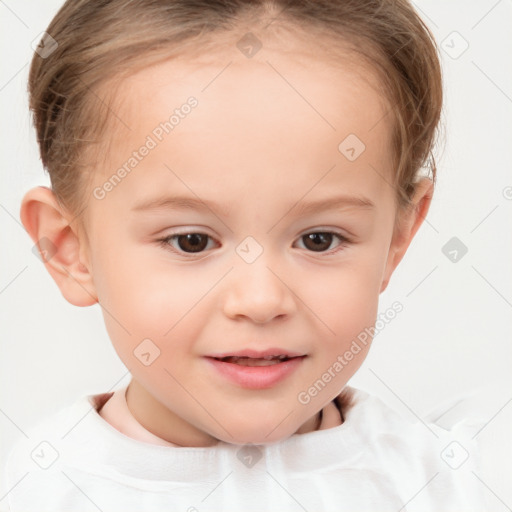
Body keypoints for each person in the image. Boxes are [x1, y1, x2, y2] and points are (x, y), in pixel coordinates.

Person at [0, 0, 490, 510]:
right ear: (69, 248)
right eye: (191, 240)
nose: (260, 300)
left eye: (319, 239)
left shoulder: (449, 482)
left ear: (397, 239)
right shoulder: (37, 491)